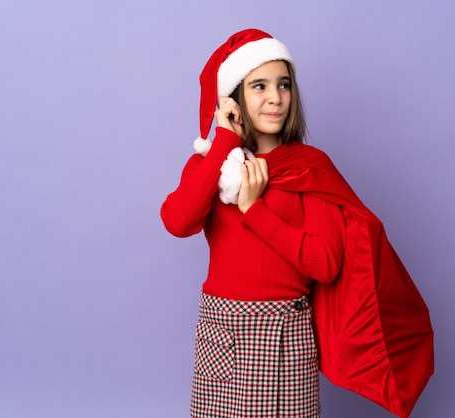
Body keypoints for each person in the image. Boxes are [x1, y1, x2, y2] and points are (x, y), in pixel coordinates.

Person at [161, 29, 433, 418]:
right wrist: (223, 141)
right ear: (234, 96)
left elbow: (326, 264)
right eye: (259, 86)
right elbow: (178, 221)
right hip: (223, 333)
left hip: (285, 336)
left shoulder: (308, 167)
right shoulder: (214, 167)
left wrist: (254, 210)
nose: (276, 98)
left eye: (284, 85)